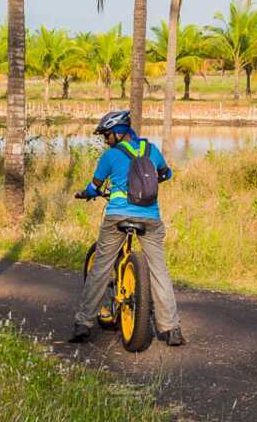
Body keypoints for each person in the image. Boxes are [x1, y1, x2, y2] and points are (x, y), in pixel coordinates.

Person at [70, 109, 186, 346]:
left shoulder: (110, 156)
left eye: (106, 135)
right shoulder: (151, 150)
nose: (105, 139)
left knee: (101, 267)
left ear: (118, 133)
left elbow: (95, 187)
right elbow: (166, 173)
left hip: (117, 216)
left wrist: (86, 193)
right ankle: (172, 329)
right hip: (151, 218)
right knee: (159, 270)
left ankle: (84, 323)